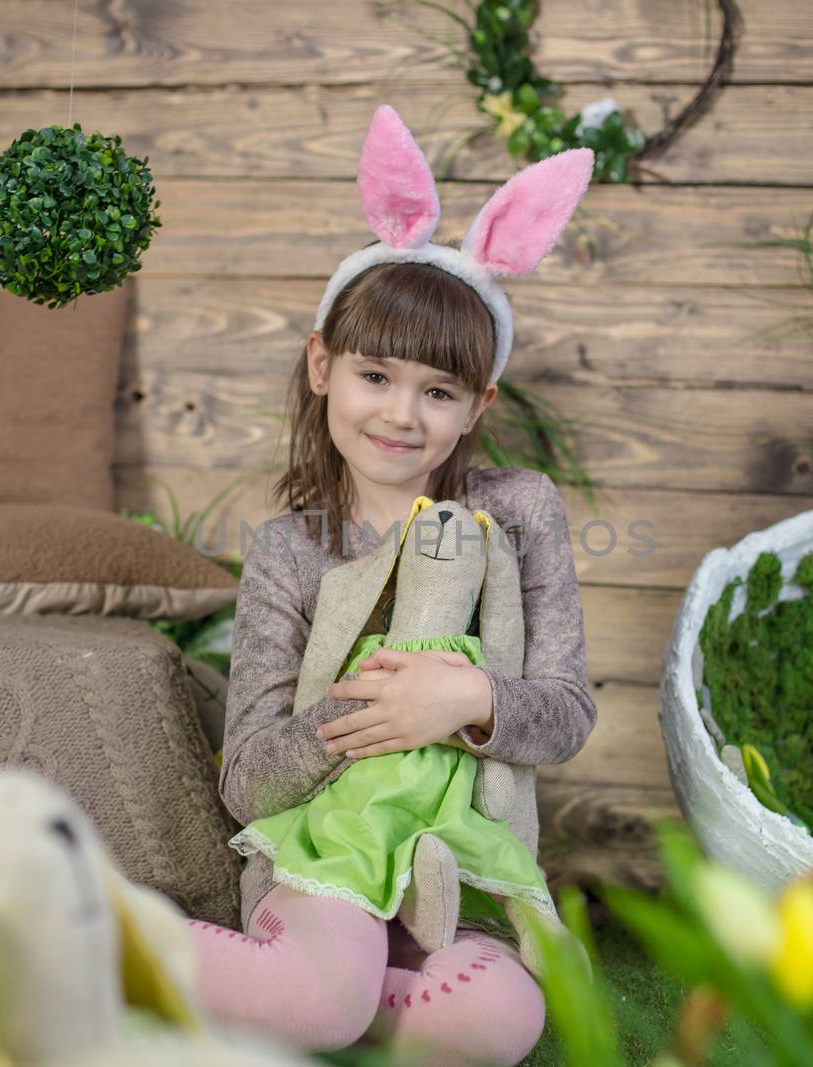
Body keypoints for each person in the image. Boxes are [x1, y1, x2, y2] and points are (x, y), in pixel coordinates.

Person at [181, 104, 598, 1067]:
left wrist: (469, 699)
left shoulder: (521, 512)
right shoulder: (291, 550)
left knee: (498, 1022)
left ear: (478, 405)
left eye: (440, 391)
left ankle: (293, 1000)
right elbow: (246, 782)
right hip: (322, 866)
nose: (401, 414)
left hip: (456, 873)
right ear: (324, 367)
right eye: (376, 374)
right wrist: (371, 712)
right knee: (326, 997)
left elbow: (568, 712)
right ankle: (95, 929)